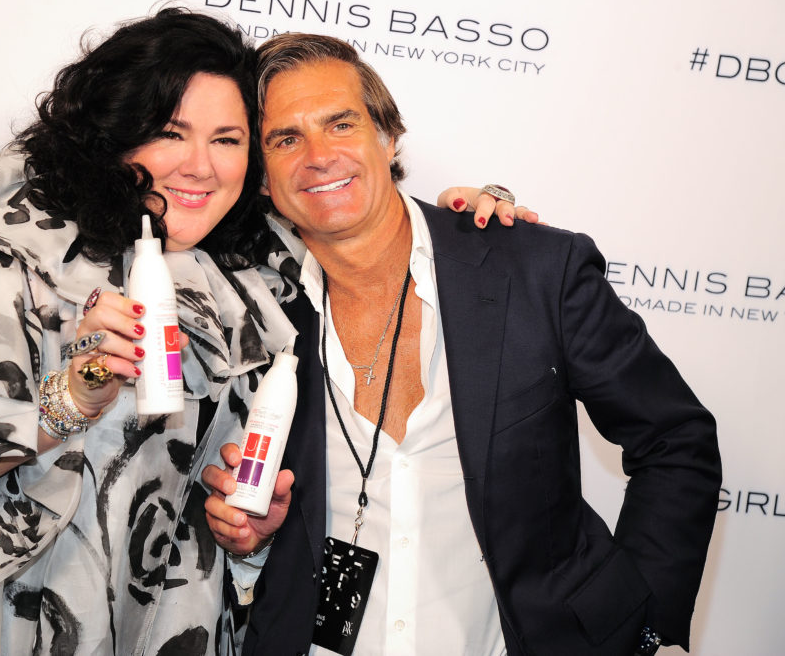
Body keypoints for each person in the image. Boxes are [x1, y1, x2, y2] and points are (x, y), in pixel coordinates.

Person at [0, 9, 528, 655]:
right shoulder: (6, 256)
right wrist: (74, 392)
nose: (200, 166)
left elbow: (366, 224)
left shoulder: (247, 280)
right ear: (113, 133)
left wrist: (479, 226)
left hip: (152, 626)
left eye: (228, 139)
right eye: (171, 132)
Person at [202, 33, 722, 656]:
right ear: (262, 177)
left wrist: (643, 629)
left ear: (388, 137)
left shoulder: (530, 269)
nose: (319, 156)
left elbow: (675, 438)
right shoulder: (243, 308)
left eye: (341, 124)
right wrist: (254, 539)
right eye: (285, 139)